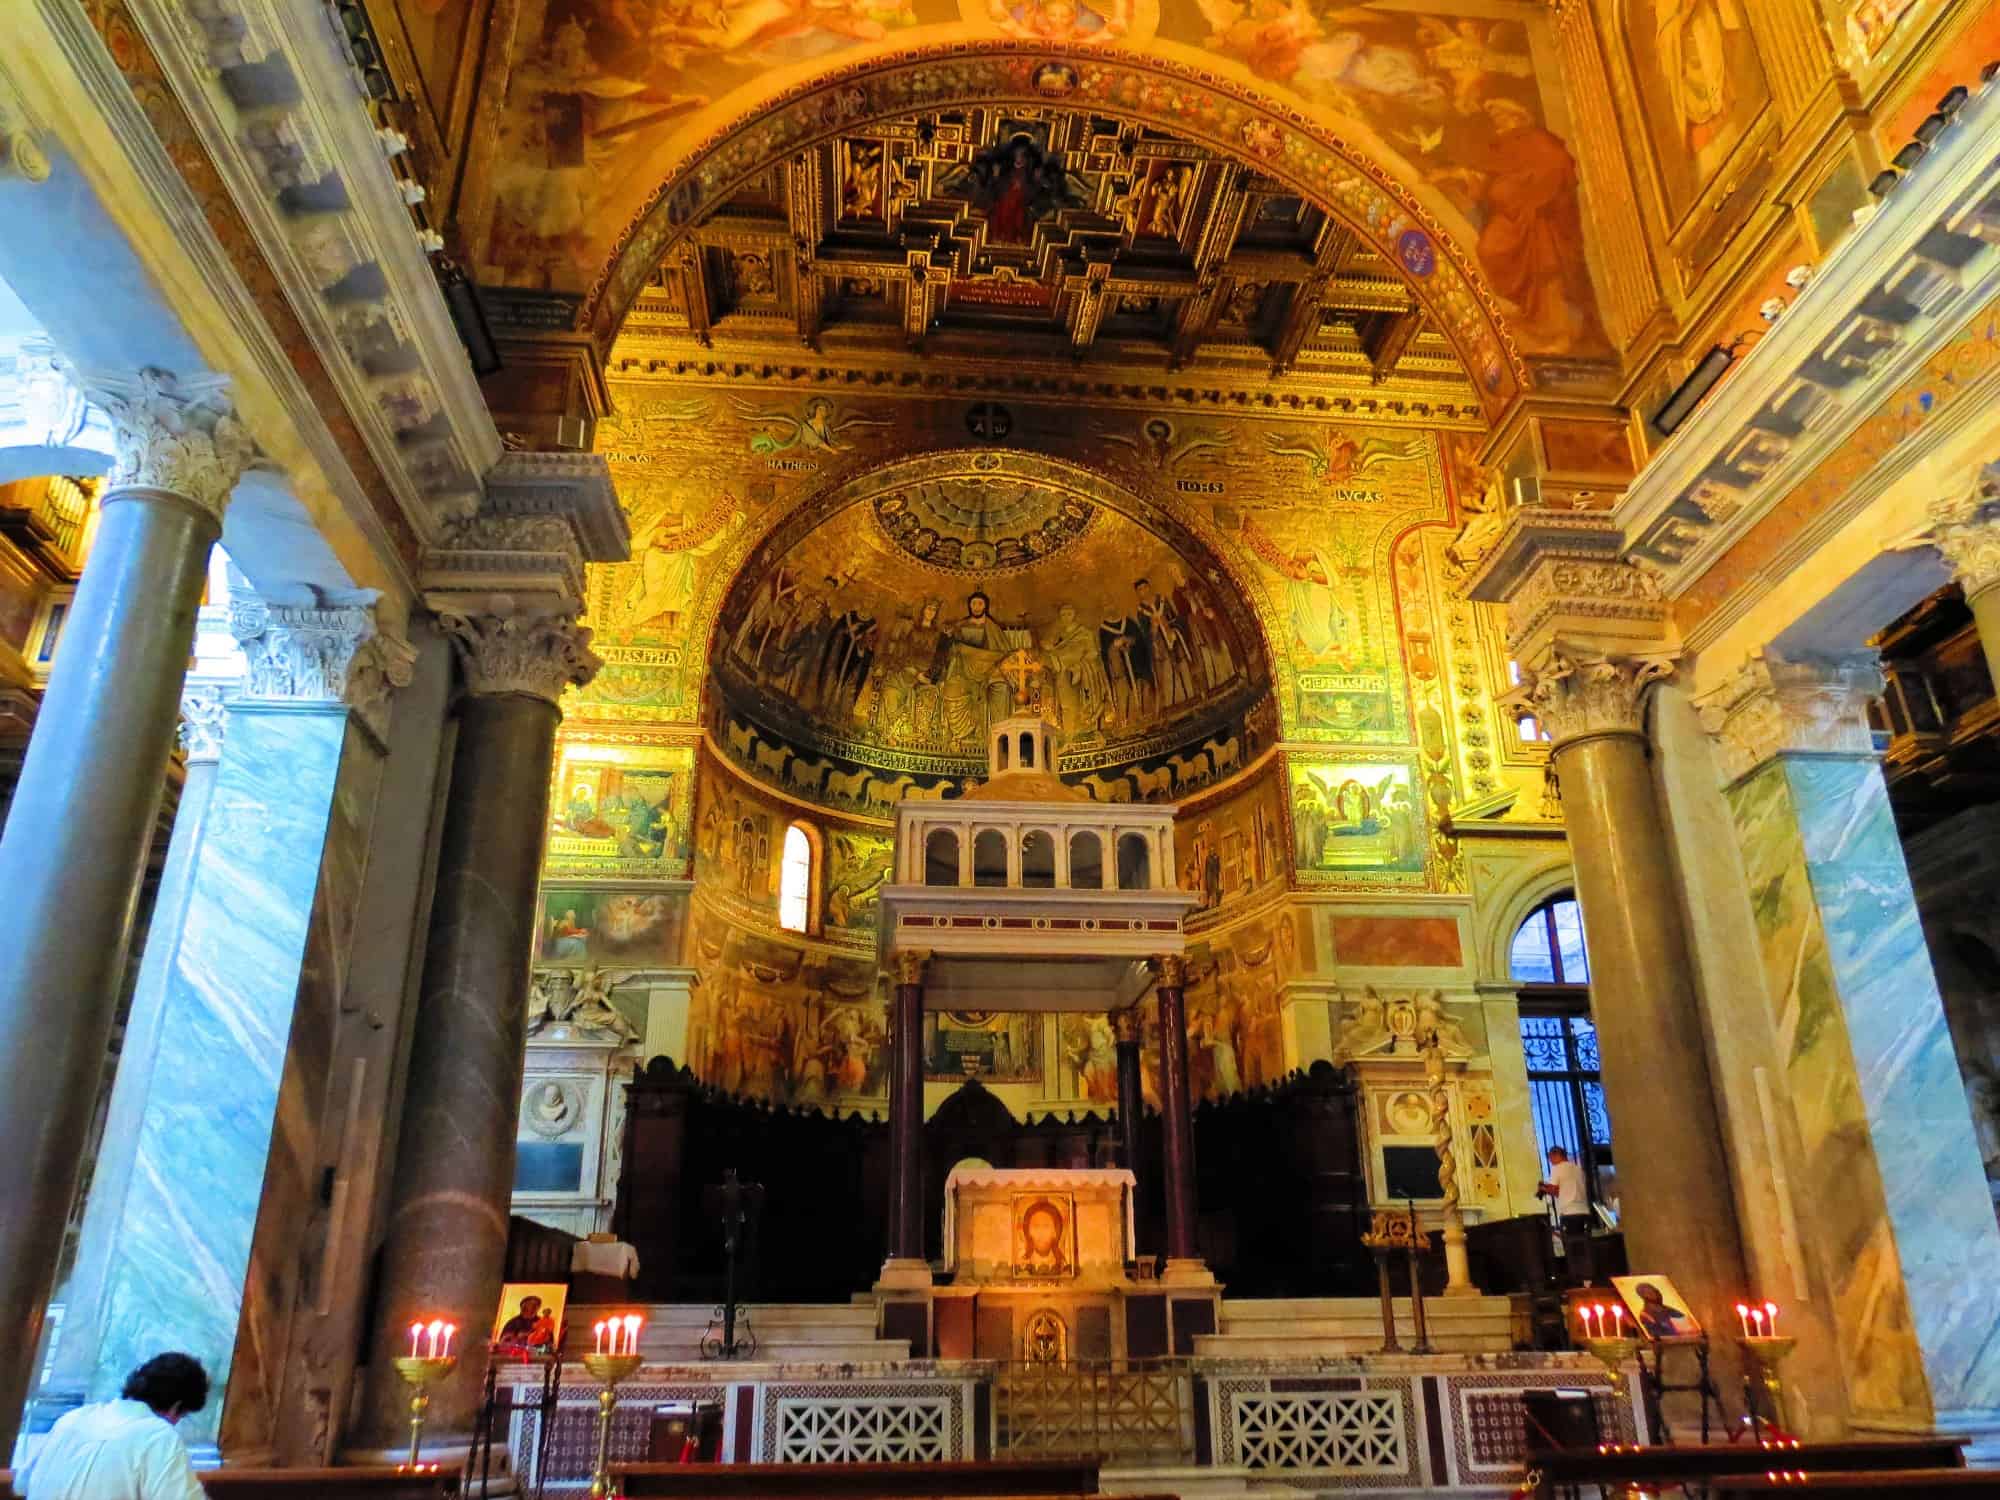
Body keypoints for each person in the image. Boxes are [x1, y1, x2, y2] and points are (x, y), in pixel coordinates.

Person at [17, 1352, 208, 1500]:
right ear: (176, 1407)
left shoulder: (71, 1419)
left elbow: (21, 1484)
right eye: (183, 1415)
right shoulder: (158, 1436)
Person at [1539, 1145, 1593, 1280]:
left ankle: (1577, 1277)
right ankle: (1588, 1277)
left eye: (1550, 1158)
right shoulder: (1577, 1169)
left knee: (1571, 1249)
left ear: (1556, 1155)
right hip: (1584, 1212)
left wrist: (1543, 1188)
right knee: (1584, 1247)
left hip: (1569, 1213)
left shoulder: (1558, 1168)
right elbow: (1561, 1192)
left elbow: (1553, 1189)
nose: (1550, 1161)